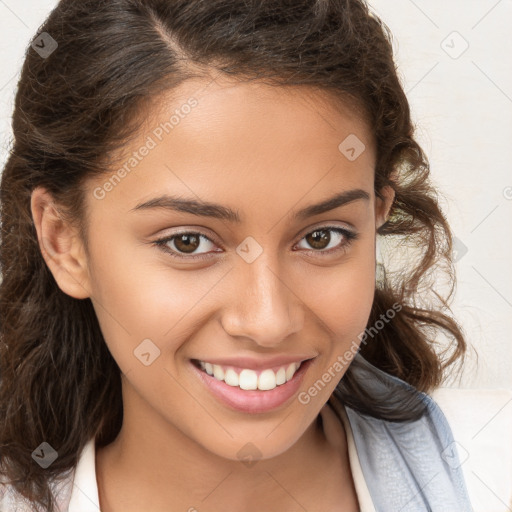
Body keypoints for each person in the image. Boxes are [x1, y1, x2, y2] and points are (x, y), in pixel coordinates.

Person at [0, 0, 473, 510]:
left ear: (378, 212)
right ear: (64, 241)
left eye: (321, 237)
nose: (268, 322)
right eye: (189, 242)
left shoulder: (488, 464)